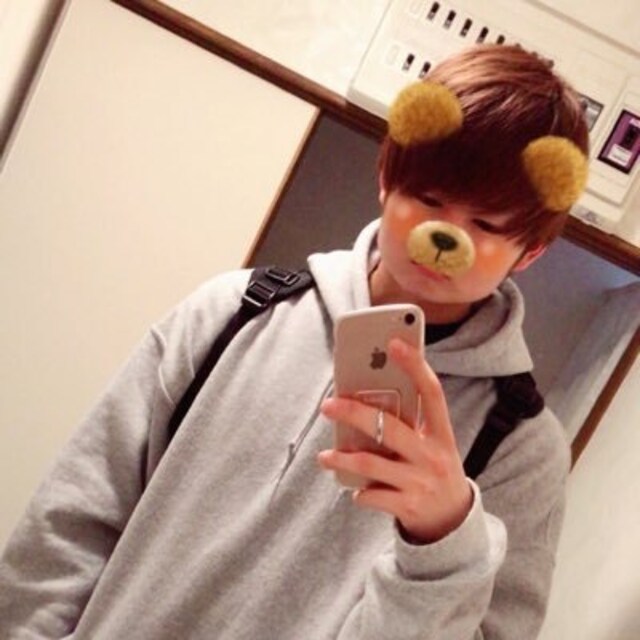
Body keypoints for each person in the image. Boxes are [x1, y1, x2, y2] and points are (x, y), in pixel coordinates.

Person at [0, 43, 589, 639]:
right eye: (428, 199)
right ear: (386, 180)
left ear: (530, 252)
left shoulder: (521, 449)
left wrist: (444, 545)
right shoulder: (235, 311)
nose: (445, 234)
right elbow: (73, 516)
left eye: (486, 224)